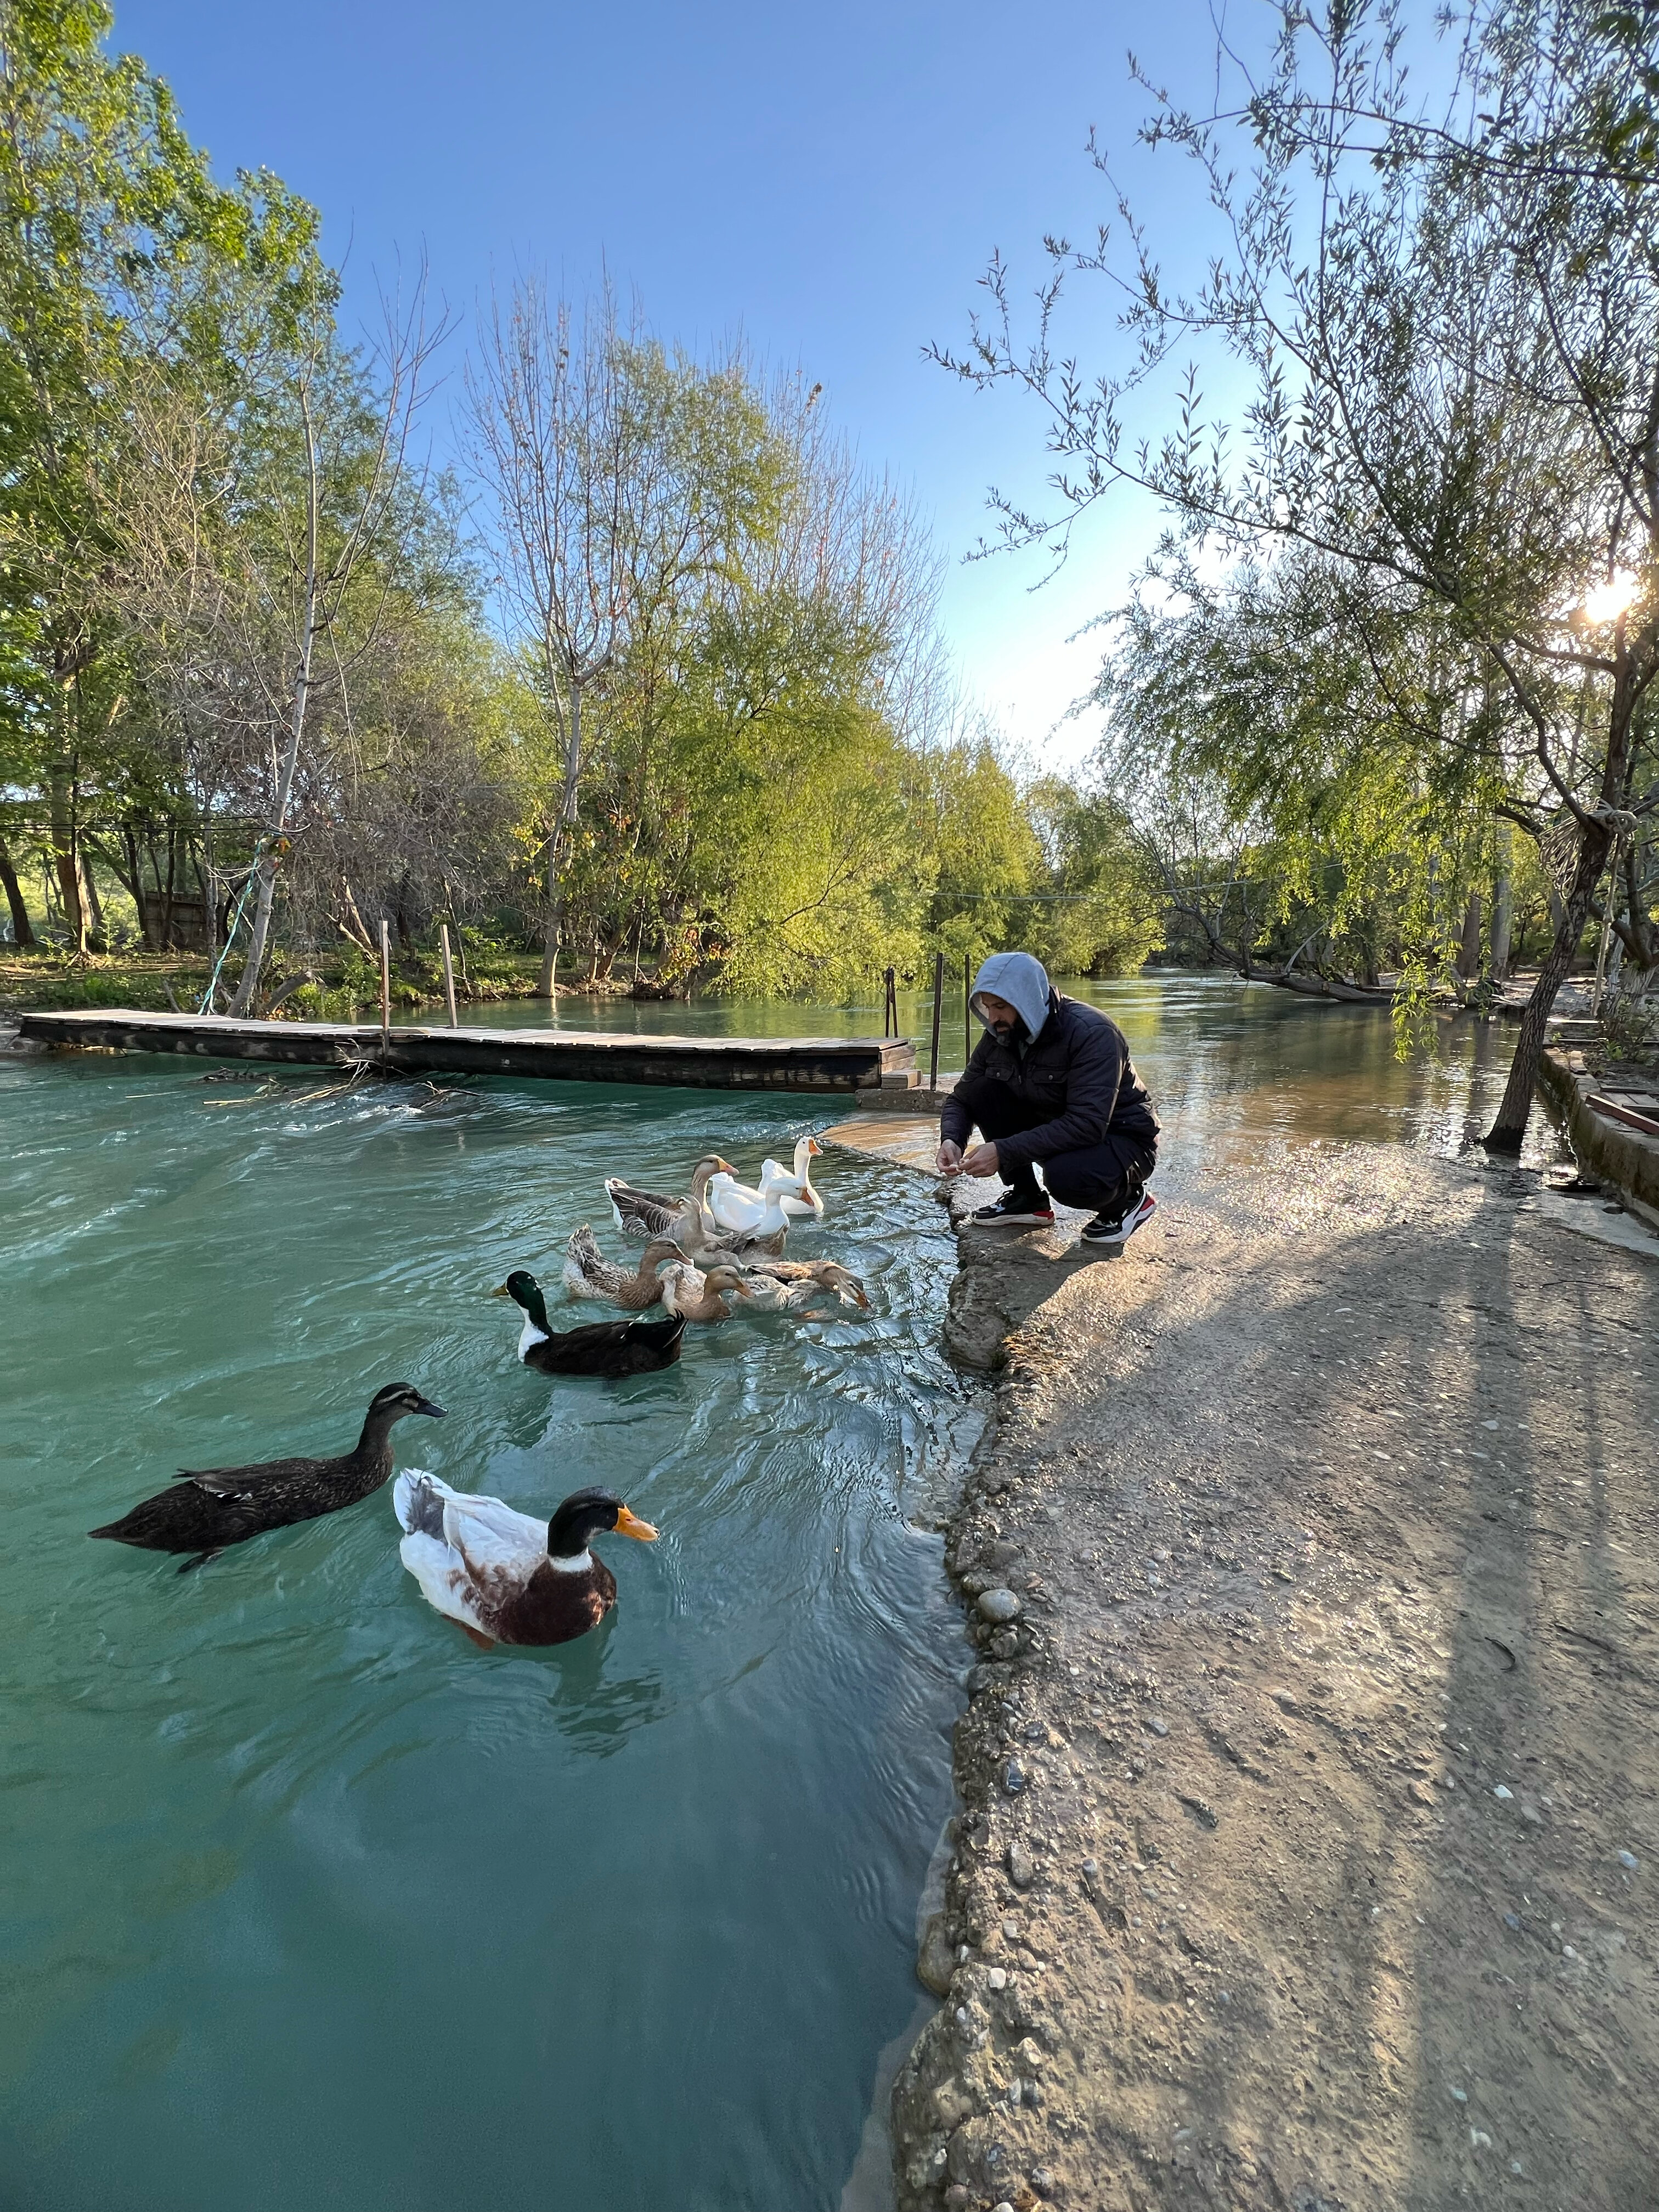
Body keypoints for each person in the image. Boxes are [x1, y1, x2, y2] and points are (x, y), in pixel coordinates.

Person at [936, 951, 1159, 1246]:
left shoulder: (1094, 1033)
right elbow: (963, 1099)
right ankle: (1028, 1199)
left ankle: (1128, 1201)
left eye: (1001, 1006)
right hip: (1060, 1123)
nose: (992, 1018)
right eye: (988, 1007)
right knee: (983, 1090)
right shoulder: (1001, 1034)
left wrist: (1004, 1151)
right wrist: (952, 1139)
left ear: (1026, 999)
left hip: (1124, 1139)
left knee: (1066, 1177)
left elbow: (1087, 1124)